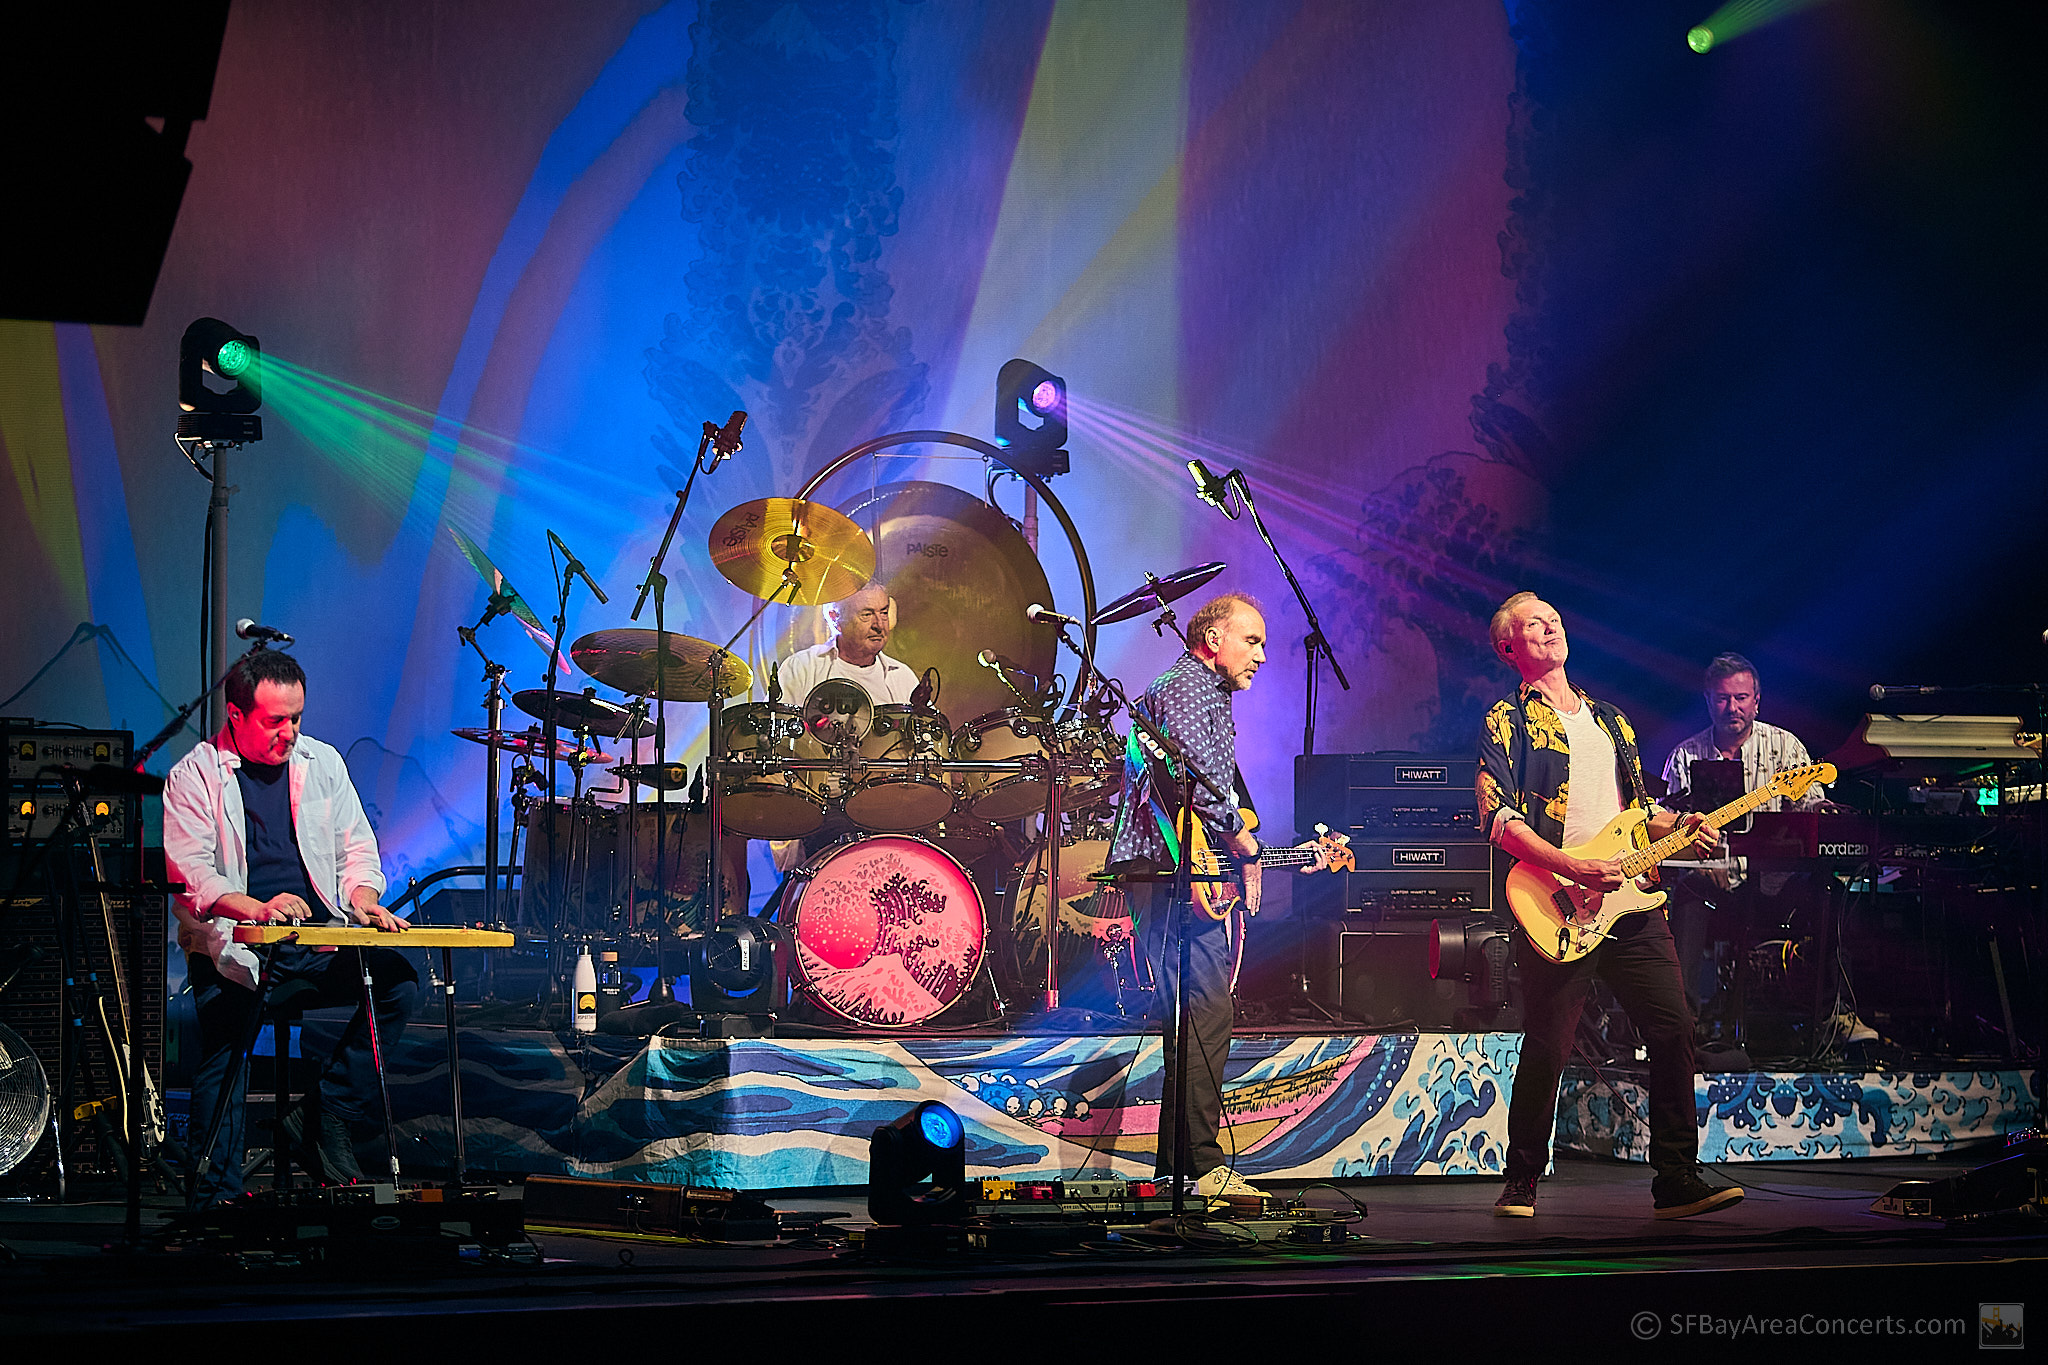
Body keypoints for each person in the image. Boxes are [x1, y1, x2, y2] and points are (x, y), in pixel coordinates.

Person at [1475, 592, 1742, 1219]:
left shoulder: (1612, 721)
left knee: (1674, 1029)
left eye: (1555, 619)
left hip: (1630, 902)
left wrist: (1684, 822)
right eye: (1534, 624)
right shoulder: (1505, 721)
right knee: (1549, 1043)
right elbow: (1499, 820)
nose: (1551, 627)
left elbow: (1638, 814)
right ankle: (1521, 1179)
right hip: (1557, 898)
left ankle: (1676, 1178)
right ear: (1509, 647)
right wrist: (1573, 867)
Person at [162, 649, 419, 1203]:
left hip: (316, 943)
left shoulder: (321, 762)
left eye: (296, 717)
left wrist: (363, 898)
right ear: (235, 715)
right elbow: (191, 876)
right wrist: (256, 908)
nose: (289, 732)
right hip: (238, 949)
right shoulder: (195, 776)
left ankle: (326, 1111)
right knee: (226, 1049)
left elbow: (357, 848)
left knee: (398, 981)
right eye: (275, 720)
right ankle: (217, 1200)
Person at [1106, 592, 1268, 1206]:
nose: (1261, 656)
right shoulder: (1189, 687)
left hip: (1173, 865)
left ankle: (1180, 1166)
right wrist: (1242, 834)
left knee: (1192, 1014)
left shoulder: (1203, 691)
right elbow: (1196, 777)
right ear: (1212, 639)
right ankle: (1201, 1164)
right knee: (1205, 1010)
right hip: (1165, 867)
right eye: (1251, 641)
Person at [1659, 653, 1827, 1015]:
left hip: (1773, 883)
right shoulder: (1685, 756)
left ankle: (1828, 1015)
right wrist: (1704, 865)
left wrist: (1816, 813)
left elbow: (1810, 814)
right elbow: (1664, 832)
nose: (1731, 707)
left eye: (1740, 698)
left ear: (1756, 701)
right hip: (1709, 885)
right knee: (1685, 897)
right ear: (1707, 700)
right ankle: (1683, 1025)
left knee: (1829, 894)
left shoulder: (1786, 747)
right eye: (1722, 698)